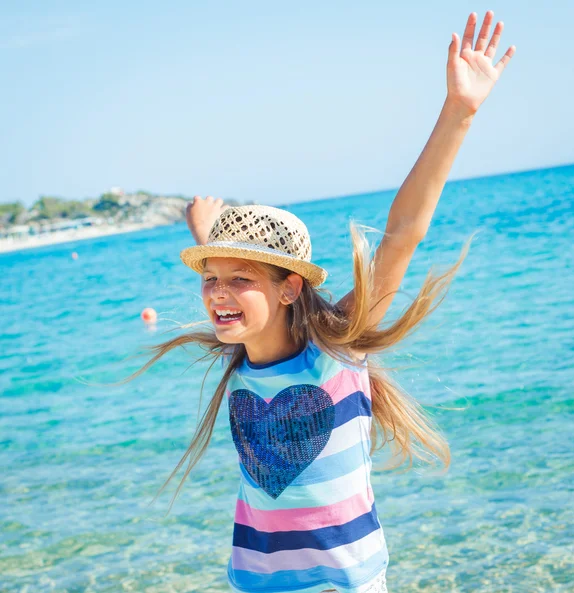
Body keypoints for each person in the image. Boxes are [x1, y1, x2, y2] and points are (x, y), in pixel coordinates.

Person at [127, 10, 515, 593]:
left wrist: (459, 112)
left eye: (239, 279)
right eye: (210, 279)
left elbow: (403, 231)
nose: (218, 294)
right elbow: (239, 292)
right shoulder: (240, 351)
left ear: (291, 289)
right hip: (254, 584)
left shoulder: (337, 351)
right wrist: (208, 242)